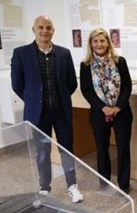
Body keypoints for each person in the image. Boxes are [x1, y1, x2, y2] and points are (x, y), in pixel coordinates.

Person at [11, 15, 84, 203]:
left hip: (61, 112)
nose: (45, 31)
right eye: (41, 27)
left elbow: (71, 83)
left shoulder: (64, 53)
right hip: (38, 115)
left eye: (48, 27)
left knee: (66, 150)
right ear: (34, 30)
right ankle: (44, 188)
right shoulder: (21, 53)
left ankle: (72, 185)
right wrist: (34, 101)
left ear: (53, 30)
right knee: (42, 152)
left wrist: (61, 98)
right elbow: (18, 85)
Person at [80, 28, 133, 193]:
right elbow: (86, 90)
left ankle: (124, 184)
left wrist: (118, 107)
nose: (99, 44)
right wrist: (103, 108)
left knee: (123, 147)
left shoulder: (119, 61)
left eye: (102, 41)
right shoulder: (85, 65)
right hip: (98, 114)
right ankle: (104, 181)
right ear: (91, 44)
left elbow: (127, 86)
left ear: (108, 43)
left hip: (121, 112)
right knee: (102, 148)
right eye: (95, 41)